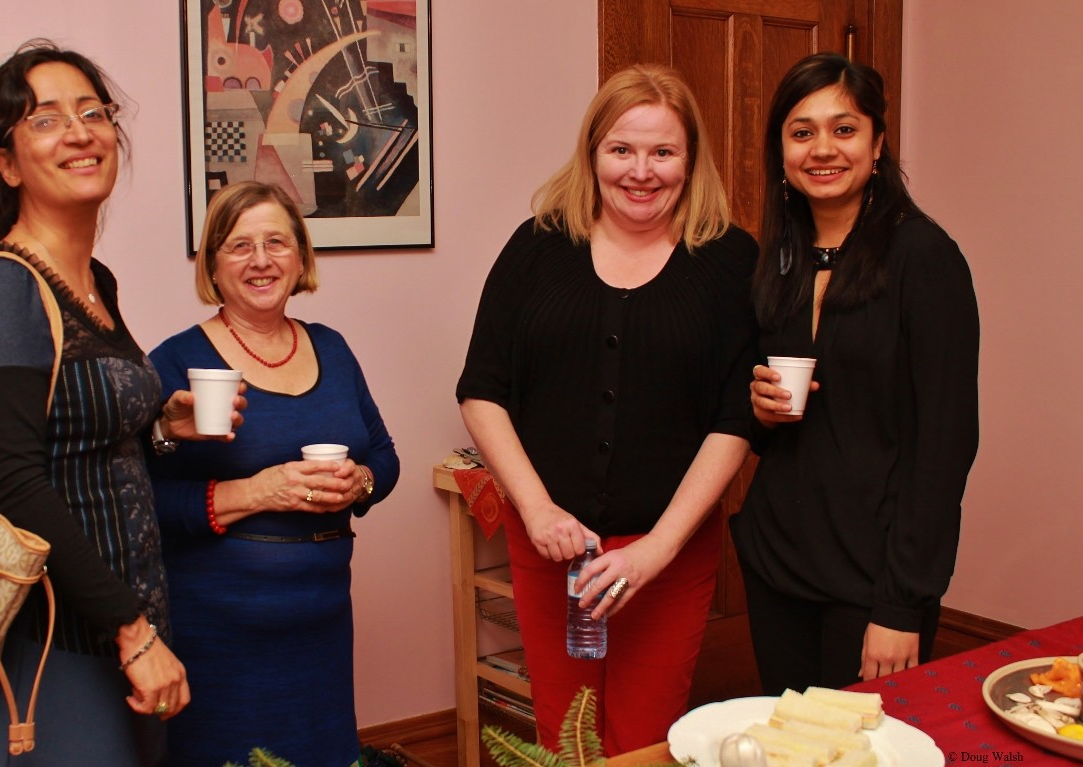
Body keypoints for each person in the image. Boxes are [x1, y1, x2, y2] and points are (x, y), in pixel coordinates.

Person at [0, 40, 244, 766]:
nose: (79, 132)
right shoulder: (2, 291)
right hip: (52, 643)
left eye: (93, 113)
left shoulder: (92, 281)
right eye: (45, 120)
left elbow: (76, 438)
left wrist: (159, 425)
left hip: (116, 629)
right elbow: (10, 482)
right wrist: (131, 632)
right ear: (7, 164)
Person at [456, 64, 758, 753]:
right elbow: (482, 390)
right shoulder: (537, 246)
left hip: (667, 555)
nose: (641, 171)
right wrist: (537, 510)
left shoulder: (729, 261)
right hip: (552, 548)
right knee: (567, 737)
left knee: (642, 743)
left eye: (663, 151)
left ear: (690, 159)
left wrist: (657, 548)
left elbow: (735, 419)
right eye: (622, 149)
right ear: (592, 153)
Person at [731, 53, 979, 695]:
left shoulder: (925, 258)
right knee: (789, 737)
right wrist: (759, 411)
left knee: (860, 741)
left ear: (877, 144)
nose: (823, 149)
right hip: (776, 561)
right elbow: (758, 421)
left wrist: (902, 603)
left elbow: (946, 445)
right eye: (802, 131)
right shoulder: (778, 259)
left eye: (844, 129)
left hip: (874, 578)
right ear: (781, 149)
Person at [146, 180, 400, 766]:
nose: (261, 260)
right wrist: (260, 491)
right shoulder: (176, 362)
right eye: (240, 246)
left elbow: (385, 456)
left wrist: (359, 483)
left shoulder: (332, 349)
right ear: (213, 265)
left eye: (277, 243)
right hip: (218, 633)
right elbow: (144, 501)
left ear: (301, 257)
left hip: (322, 626)